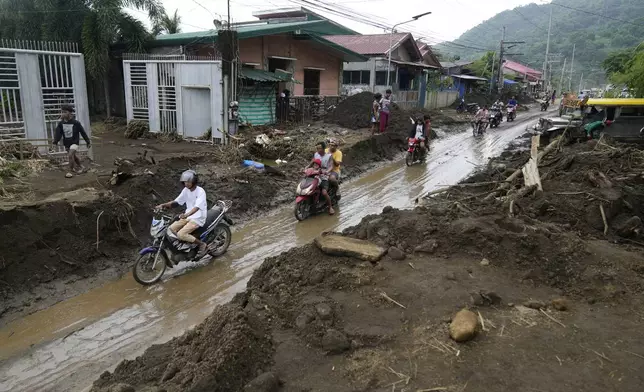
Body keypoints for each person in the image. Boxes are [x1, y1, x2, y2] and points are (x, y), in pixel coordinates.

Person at [156, 170, 209, 259]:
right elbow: (177, 202)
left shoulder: (200, 191)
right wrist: (163, 205)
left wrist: (187, 214)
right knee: (170, 229)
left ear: (194, 181)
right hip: (188, 216)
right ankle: (184, 245)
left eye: (188, 182)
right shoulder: (185, 190)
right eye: (185, 182)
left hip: (198, 217)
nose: (186, 184)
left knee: (181, 234)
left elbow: (196, 207)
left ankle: (202, 244)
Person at [53, 104, 91, 178]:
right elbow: (58, 133)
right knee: (73, 156)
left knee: (70, 155)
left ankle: (70, 170)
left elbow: (83, 132)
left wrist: (88, 141)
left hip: (74, 142)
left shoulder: (76, 123)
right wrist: (55, 142)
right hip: (67, 143)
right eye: (62, 112)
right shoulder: (61, 123)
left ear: (70, 113)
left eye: (65, 112)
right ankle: (81, 166)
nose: (63, 114)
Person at [313, 141, 335, 215]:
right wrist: (306, 167)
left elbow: (332, 166)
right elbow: (313, 162)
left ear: (324, 148)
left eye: (319, 148)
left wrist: (327, 171)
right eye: (317, 148)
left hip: (324, 176)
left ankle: (330, 207)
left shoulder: (329, 156)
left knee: (324, 192)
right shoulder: (316, 154)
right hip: (316, 174)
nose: (318, 150)